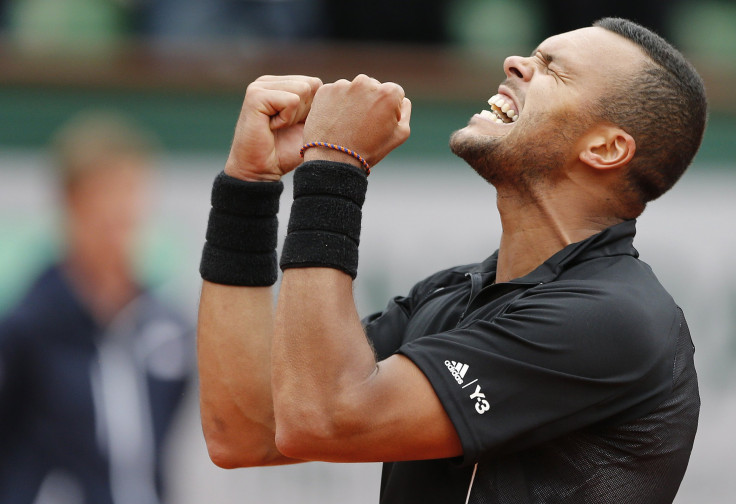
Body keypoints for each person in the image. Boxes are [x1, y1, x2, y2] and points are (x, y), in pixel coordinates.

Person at [196, 17, 705, 503]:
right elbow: (245, 431)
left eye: (552, 68)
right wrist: (249, 184)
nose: (514, 62)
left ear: (605, 148)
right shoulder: (450, 294)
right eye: (531, 54)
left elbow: (326, 416)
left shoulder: (616, 317)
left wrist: (334, 163)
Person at [0, 111, 192, 504]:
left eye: (128, 193)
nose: (117, 212)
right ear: (70, 202)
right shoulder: (26, 328)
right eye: (102, 196)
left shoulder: (166, 329)